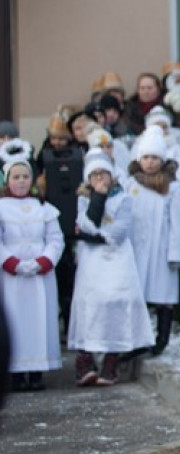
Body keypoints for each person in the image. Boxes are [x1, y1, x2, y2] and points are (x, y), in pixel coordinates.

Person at [67, 152, 154, 386]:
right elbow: (86, 223)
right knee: (90, 303)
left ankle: (111, 359)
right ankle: (85, 359)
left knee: (116, 301)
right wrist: (98, 197)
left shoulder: (123, 198)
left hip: (117, 258)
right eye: (94, 174)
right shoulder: (84, 198)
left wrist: (94, 236)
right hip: (91, 261)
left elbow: (119, 231)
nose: (99, 178)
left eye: (103, 173)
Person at [0, 139, 64, 392]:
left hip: (40, 275)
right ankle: (16, 372)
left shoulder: (45, 208)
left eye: (26, 176)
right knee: (15, 319)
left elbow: (55, 239)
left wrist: (43, 261)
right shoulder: (1, 208)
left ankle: (37, 370)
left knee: (40, 319)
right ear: (7, 180)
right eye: (16, 177)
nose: (21, 181)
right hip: (11, 276)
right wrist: (11, 263)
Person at [126, 127, 180, 355]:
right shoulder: (130, 185)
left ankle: (162, 338)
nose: (150, 163)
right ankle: (138, 340)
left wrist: (177, 253)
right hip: (137, 248)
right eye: (146, 157)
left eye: (154, 158)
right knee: (138, 295)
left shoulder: (171, 187)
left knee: (163, 294)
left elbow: (179, 223)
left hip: (162, 250)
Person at [35, 113, 83, 327]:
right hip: (53, 219)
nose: (57, 143)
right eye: (54, 138)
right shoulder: (43, 157)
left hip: (72, 220)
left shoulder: (77, 155)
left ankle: (70, 316)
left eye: (61, 139)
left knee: (70, 274)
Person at [124, 73, 164, 137]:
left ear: (158, 90)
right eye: (142, 88)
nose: (146, 91)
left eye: (149, 88)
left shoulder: (166, 106)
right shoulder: (129, 108)